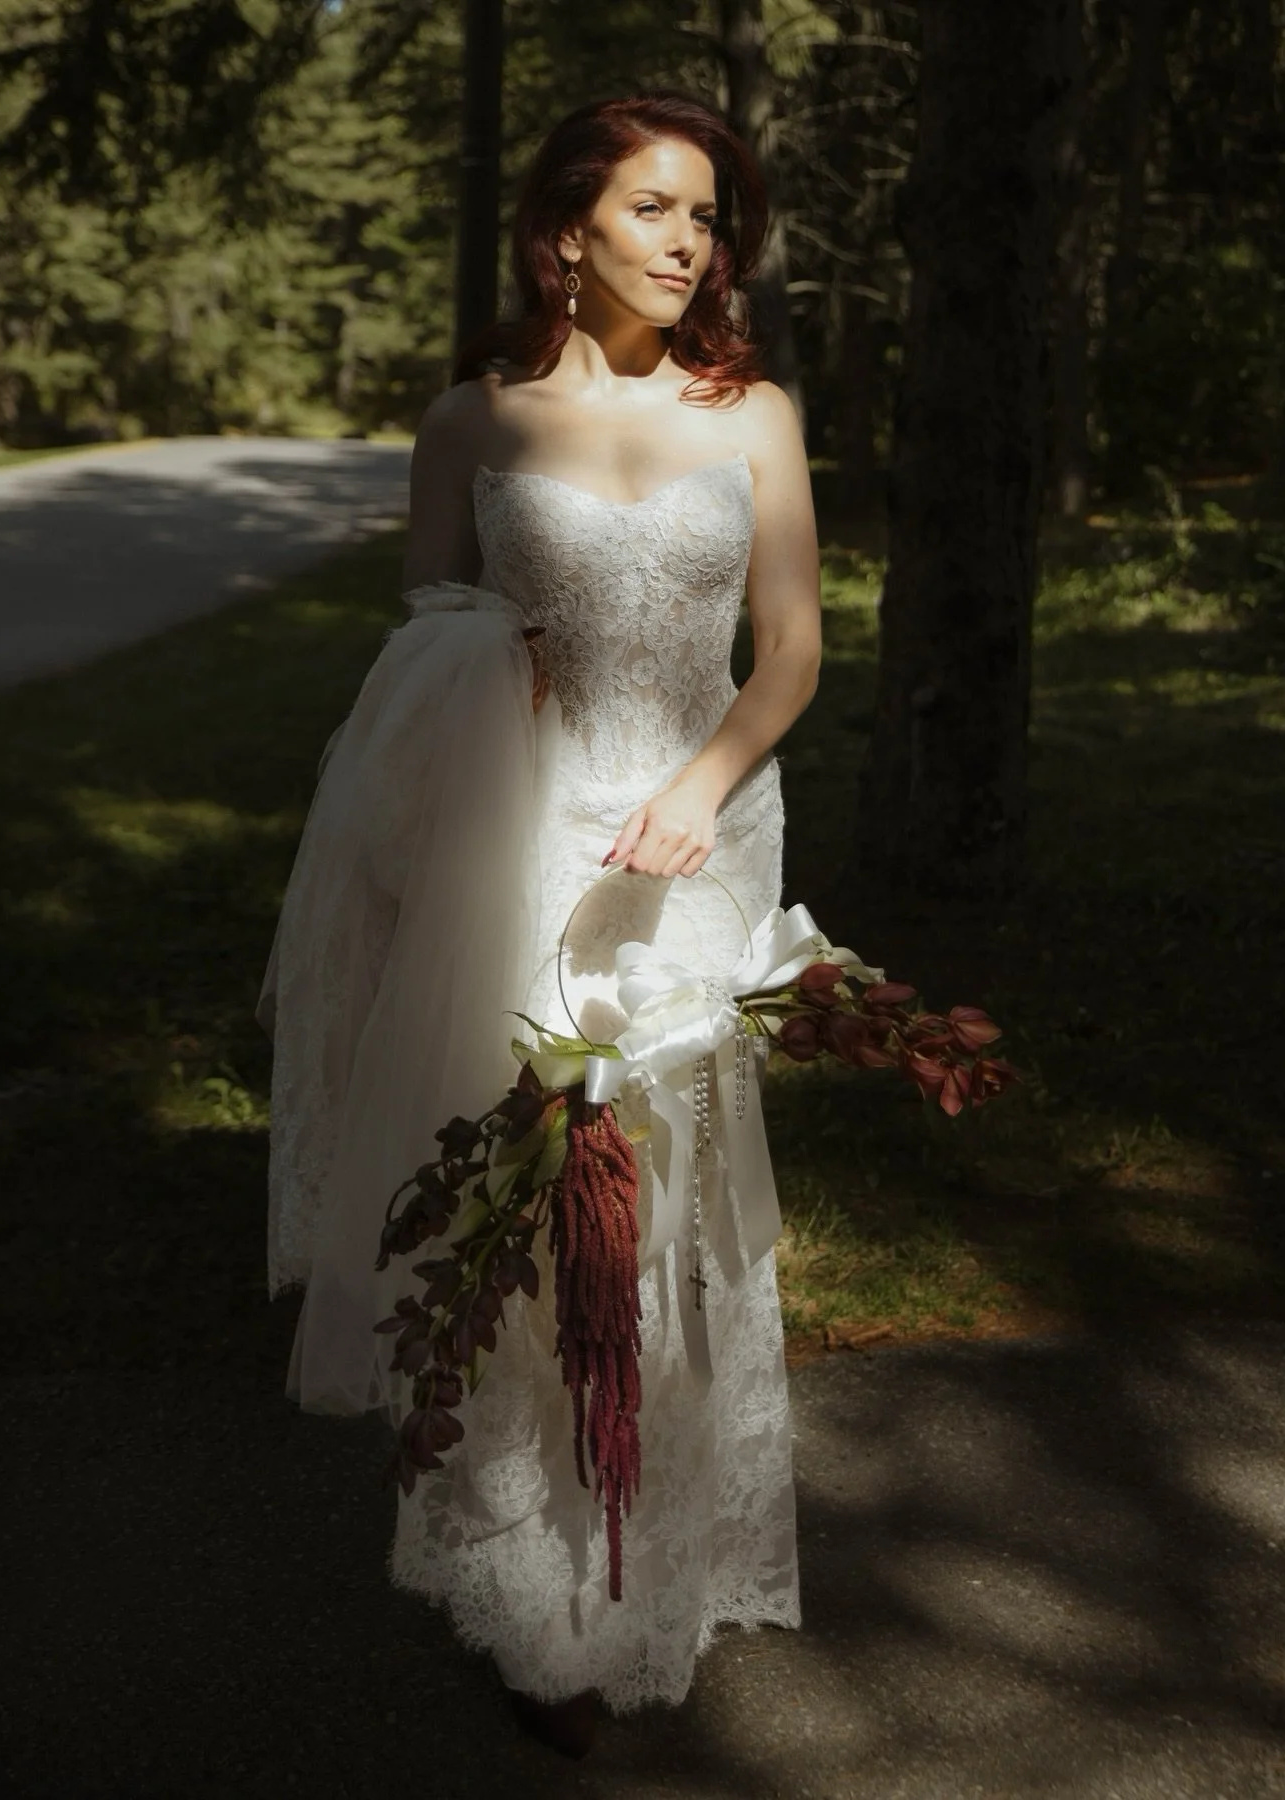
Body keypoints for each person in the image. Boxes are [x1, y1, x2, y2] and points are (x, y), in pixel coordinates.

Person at [260, 91, 822, 1758]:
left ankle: (653, 1563)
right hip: (522, 846)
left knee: (668, 1212)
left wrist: (699, 788)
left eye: (707, 217)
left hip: (697, 831)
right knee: (519, 1206)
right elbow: (426, 649)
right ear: (565, 226)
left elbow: (787, 654)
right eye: (655, 208)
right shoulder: (471, 425)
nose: (687, 241)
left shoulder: (756, 416)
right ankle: (529, 1590)